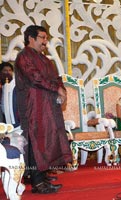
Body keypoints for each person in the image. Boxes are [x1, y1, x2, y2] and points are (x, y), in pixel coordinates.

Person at [14, 25, 72, 194]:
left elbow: (56, 77)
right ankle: (37, 183)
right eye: (42, 38)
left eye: (46, 38)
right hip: (33, 105)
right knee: (36, 140)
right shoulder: (23, 57)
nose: (45, 42)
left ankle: (43, 176)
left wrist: (62, 89)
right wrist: (56, 89)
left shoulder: (44, 59)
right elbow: (35, 78)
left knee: (48, 139)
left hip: (47, 105)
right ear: (31, 38)